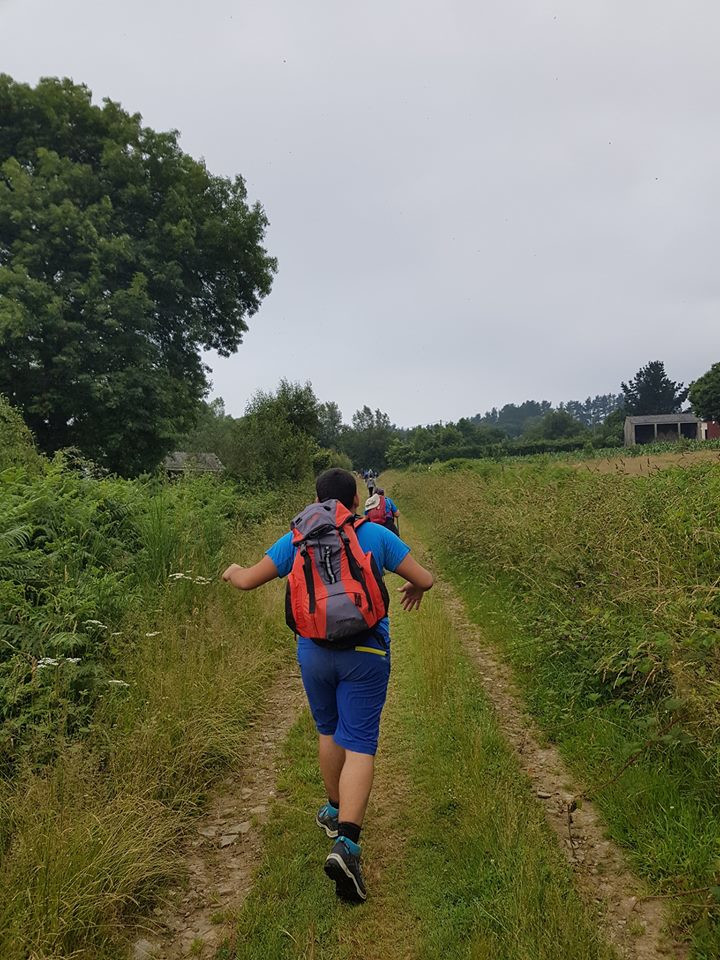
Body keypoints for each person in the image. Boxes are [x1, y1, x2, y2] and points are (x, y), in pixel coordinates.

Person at [221, 468, 433, 904]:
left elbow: (245, 580)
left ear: (316, 501)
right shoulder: (374, 535)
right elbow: (426, 578)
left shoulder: (295, 539)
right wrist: (414, 585)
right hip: (367, 652)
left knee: (328, 730)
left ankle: (334, 811)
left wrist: (231, 570)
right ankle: (348, 844)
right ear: (355, 500)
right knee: (360, 743)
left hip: (313, 652)